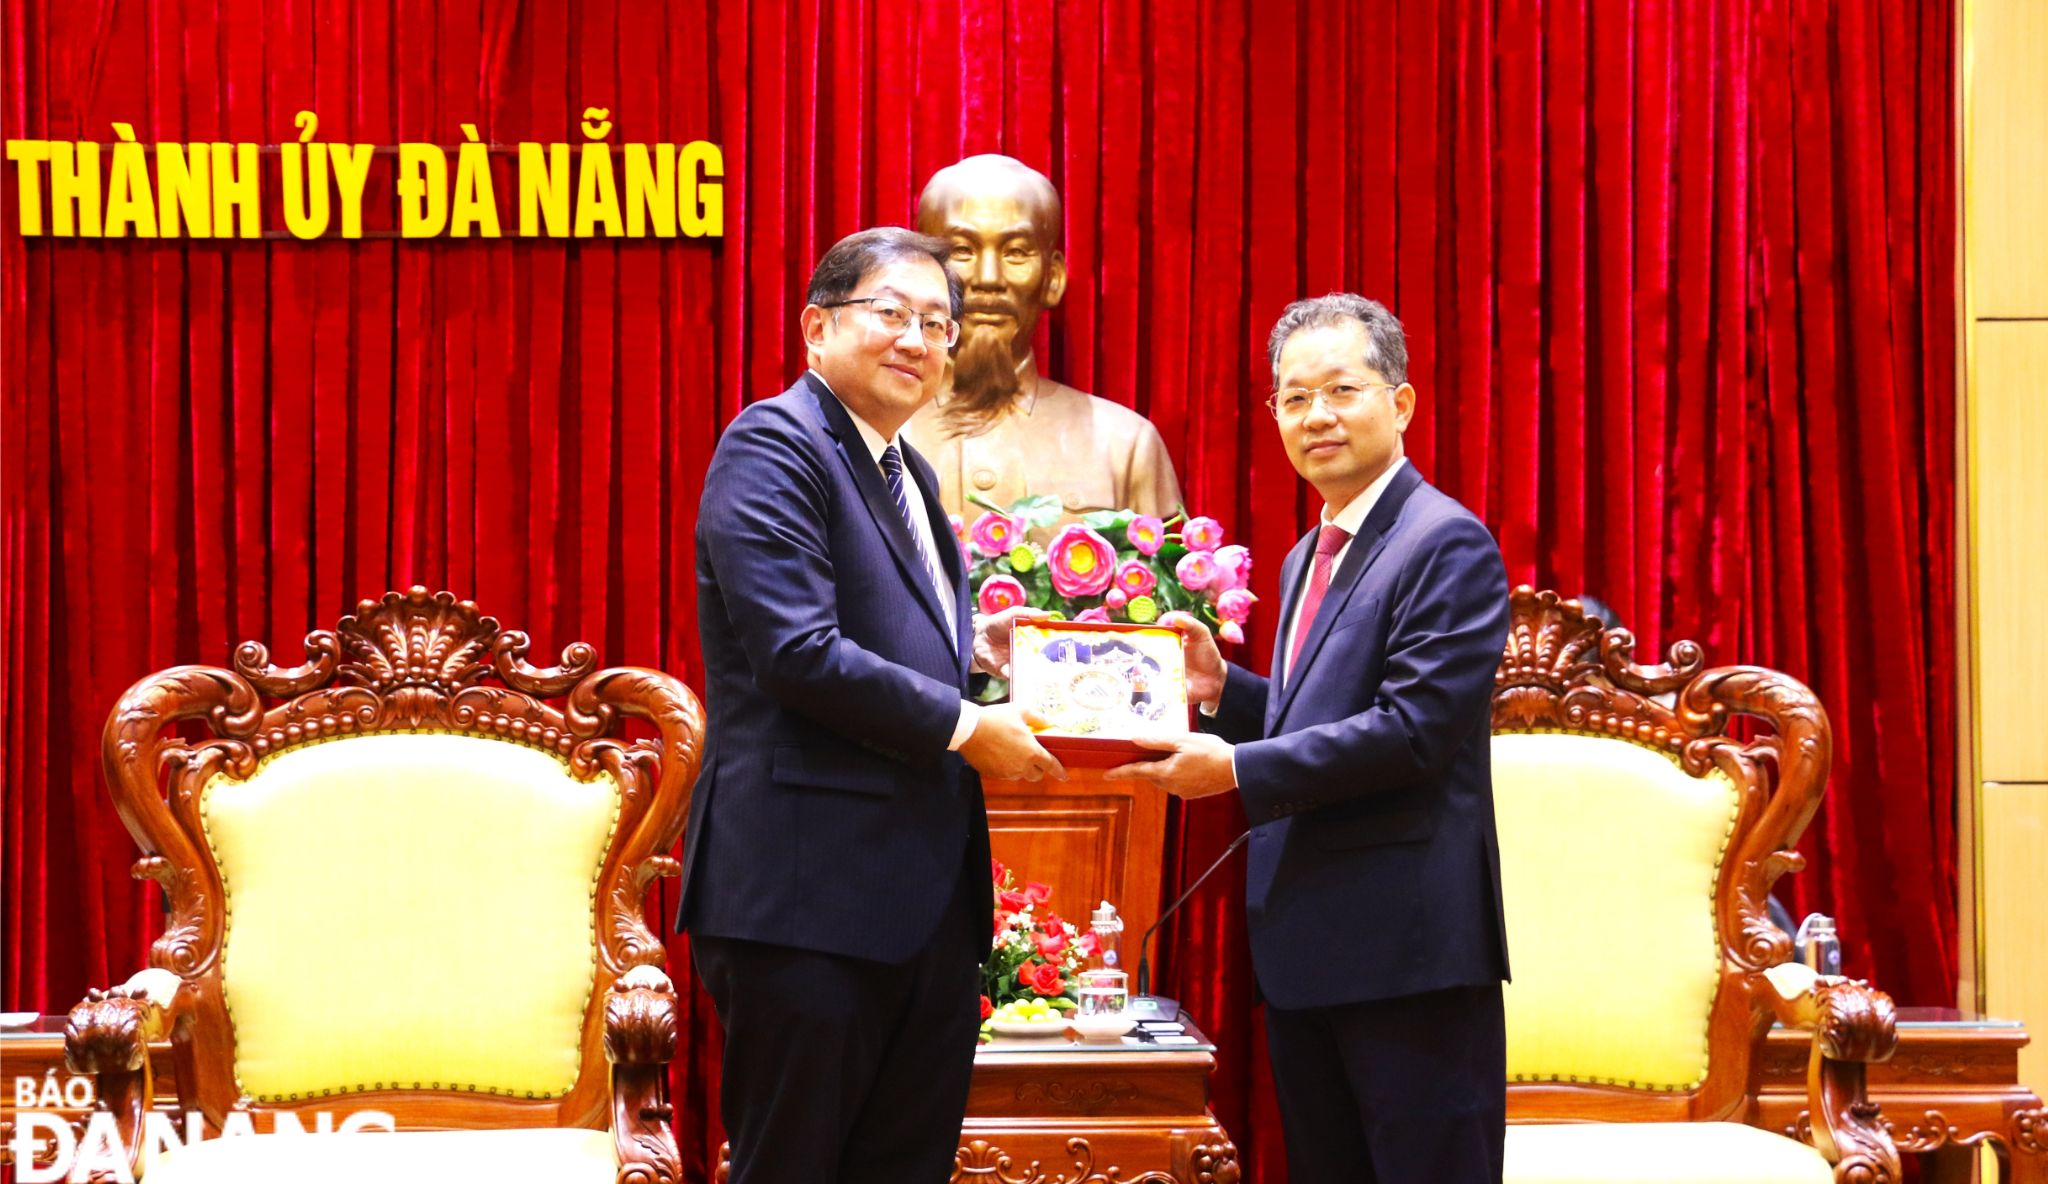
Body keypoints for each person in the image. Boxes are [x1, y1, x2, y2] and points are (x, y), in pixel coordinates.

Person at [678, 227, 1066, 1184]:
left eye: (937, 323)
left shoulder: (908, 473)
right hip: (808, 898)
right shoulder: (774, 445)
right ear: (817, 327)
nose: (918, 340)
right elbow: (798, 652)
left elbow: (890, 634)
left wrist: (981, 660)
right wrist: (972, 727)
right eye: (890, 314)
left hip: (922, 902)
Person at [1108, 293, 1512, 1183]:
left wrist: (1237, 771)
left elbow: (1414, 733)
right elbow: (1321, 720)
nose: (1316, 416)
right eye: (1294, 398)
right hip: (1309, 950)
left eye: (1341, 390)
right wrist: (1224, 695)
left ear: (1399, 404)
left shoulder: (1445, 542)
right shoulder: (1308, 554)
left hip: (1409, 956)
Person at [902, 154, 1181, 527]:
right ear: (922, 272)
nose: (989, 278)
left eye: (1016, 252)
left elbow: (1166, 580)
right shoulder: (870, 435)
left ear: (1052, 278)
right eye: (962, 251)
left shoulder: (1125, 446)